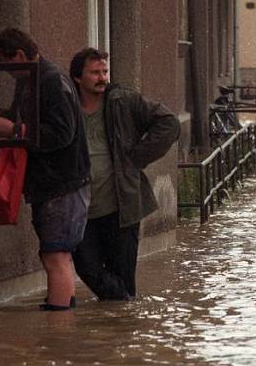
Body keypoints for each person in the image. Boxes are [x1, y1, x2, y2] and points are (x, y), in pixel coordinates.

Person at [0, 28, 90, 311]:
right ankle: (61, 314)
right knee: (54, 254)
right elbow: (28, 120)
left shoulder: (51, 81)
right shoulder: (30, 79)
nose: (7, 73)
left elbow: (62, 133)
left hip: (62, 184)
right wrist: (1, 114)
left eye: (6, 65)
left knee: (56, 255)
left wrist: (13, 129)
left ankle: (58, 323)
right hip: (52, 183)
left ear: (18, 55)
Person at [69, 47, 180, 301]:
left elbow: (169, 124)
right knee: (87, 268)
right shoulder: (68, 105)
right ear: (78, 77)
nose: (102, 78)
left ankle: (121, 327)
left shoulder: (123, 101)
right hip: (81, 210)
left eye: (104, 72)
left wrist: (136, 158)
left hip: (122, 208)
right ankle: (121, 311)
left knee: (123, 277)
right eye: (94, 72)